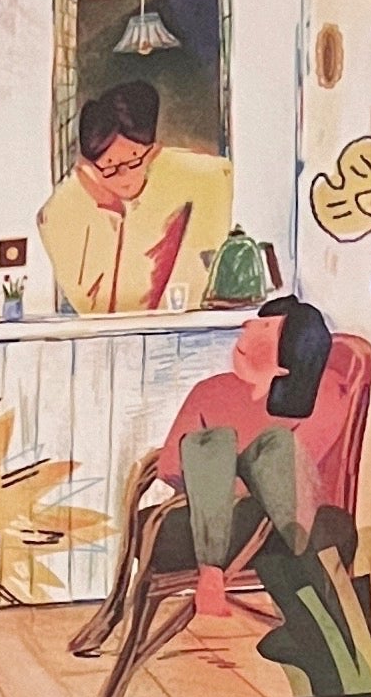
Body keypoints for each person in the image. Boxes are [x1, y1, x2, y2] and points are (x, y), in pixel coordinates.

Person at [72, 297, 350, 653]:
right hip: (199, 513)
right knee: (211, 445)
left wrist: (236, 473)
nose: (248, 327)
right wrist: (218, 475)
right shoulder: (212, 390)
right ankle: (210, 572)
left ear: (290, 358)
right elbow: (171, 465)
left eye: (266, 326)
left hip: (268, 522)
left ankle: (212, 573)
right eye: (256, 321)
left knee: (265, 450)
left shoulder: (323, 394)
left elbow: (296, 476)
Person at [34, 78, 235, 316]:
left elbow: (219, 182)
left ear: (152, 152)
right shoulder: (61, 211)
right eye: (108, 166)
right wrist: (111, 213)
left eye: (133, 160)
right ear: (88, 166)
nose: (123, 174)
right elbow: (95, 310)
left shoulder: (197, 175)